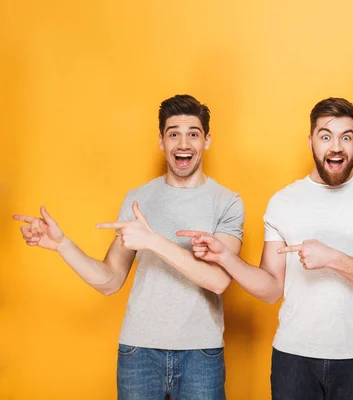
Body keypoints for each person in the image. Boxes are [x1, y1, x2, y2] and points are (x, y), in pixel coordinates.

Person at [13, 94, 244, 400]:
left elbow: (218, 280)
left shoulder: (227, 202)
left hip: (201, 353)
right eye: (173, 134)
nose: (183, 144)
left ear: (207, 140)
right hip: (139, 353)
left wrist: (153, 241)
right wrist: (61, 245)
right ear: (161, 141)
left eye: (193, 134)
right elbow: (110, 280)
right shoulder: (138, 198)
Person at [178, 97, 353, 400]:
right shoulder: (284, 202)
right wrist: (225, 256)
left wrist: (333, 259)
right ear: (311, 140)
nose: (336, 147)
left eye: (346, 137)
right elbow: (272, 288)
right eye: (326, 136)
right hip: (293, 359)